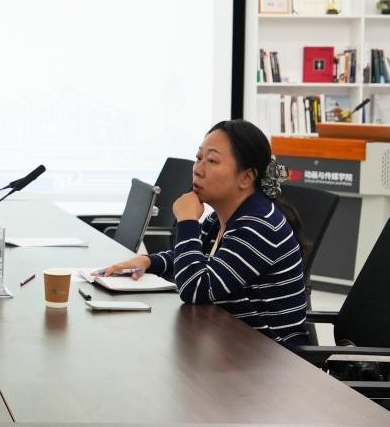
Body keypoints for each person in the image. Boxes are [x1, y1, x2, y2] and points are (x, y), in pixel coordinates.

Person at [99, 119, 310, 348]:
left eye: (211, 161)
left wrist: (187, 220)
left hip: (272, 357)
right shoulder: (221, 218)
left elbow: (195, 288)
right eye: (198, 158)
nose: (198, 170)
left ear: (246, 177)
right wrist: (148, 262)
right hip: (232, 344)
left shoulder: (259, 226)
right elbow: (197, 258)